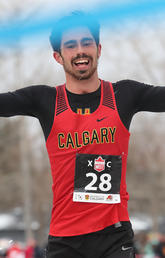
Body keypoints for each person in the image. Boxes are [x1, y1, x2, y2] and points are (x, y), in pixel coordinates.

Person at [1, 10, 165, 258]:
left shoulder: (124, 95)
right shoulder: (45, 100)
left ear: (98, 49)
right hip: (65, 240)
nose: (80, 50)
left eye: (86, 43)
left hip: (114, 236)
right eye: (71, 45)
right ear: (58, 56)